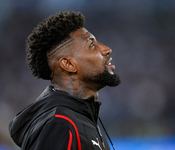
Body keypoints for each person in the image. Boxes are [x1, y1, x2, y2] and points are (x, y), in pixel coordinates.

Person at [9, 11, 121, 150]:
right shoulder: (60, 125)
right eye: (91, 44)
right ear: (69, 64)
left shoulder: (81, 120)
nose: (106, 49)